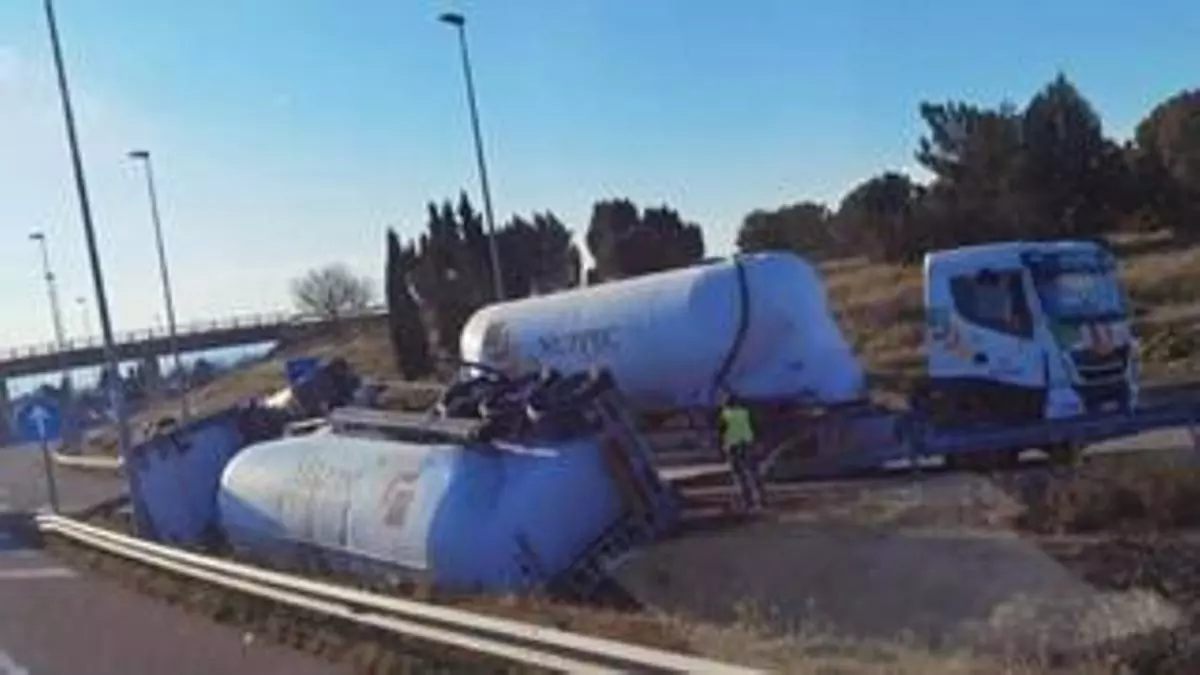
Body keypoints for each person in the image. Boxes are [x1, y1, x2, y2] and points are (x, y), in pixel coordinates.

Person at [717, 391, 766, 512]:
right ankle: (761, 498)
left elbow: (722, 431)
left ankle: (747, 501)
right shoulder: (745, 412)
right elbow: (755, 426)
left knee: (739, 475)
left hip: (733, 445)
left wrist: (722, 446)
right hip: (747, 443)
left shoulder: (725, 414)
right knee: (752, 472)